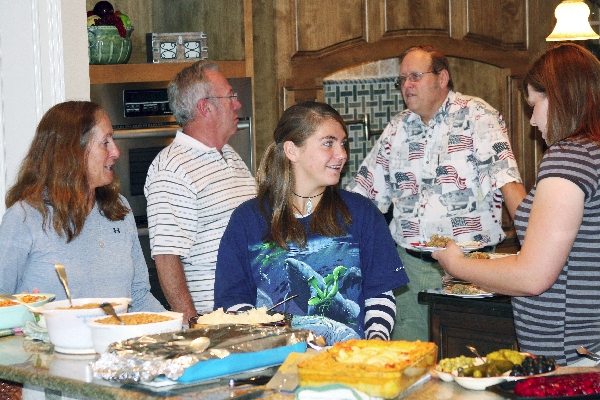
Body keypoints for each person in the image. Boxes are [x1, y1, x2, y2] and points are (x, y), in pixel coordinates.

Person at [433, 43, 600, 366]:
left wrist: (456, 266)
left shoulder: (569, 158)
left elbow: (533, 276)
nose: (533, 120)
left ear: (560, 96)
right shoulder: (592, 154)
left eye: (534, 104)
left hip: (571, 358)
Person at [347, 45, 527, 342]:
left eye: (415, 76)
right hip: (409, 269)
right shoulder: (396, 128)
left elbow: (508, 181)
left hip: (471, 269)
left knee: (467, 356)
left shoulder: (478, 116)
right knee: (410, 359)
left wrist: (534, 244)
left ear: (442, 78)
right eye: (402, 79)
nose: (407, 85)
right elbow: (364, 194)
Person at [214, 101, 409, 345]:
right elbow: (233, 301)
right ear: (292, 151)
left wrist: (376, 342)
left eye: (343, 143)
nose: (342, 154)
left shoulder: (362, 213)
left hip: (350, 363)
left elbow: (379, 293)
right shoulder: (246, 220)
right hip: (276, 364)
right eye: (328, 143)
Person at [0, 101, 164, 313]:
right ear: (72, 152)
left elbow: (139, 296)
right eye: (105, 143)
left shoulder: (118, 209)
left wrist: (180, 333)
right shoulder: (24, 217)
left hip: (117, 345)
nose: (116, 151)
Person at [145, 61, 256, 322]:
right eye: (231, 96)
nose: (238, 104)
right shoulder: (172, 168)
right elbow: (166, 256)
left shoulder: (231, 155)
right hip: (214, 322)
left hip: (249, 316)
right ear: (205, 107)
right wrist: (193, 322)